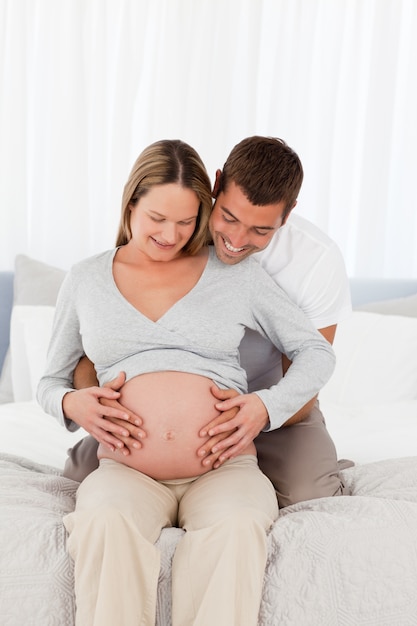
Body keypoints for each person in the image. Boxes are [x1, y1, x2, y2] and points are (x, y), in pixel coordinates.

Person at [37, 139, 336, 626]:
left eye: (187, 221)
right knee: (104, 523)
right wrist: (73, 402)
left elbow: (315, 352)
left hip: (225, 468)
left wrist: (265, 406)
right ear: (131, 202)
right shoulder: (85, 280)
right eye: (158, 217)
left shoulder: (235, 275)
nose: (171, 234)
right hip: (126, 471)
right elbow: (49, 380)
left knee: (238, 527)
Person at [66, 135, 353, 508]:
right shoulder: (175, 231)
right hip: (143, 422)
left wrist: (256, 413)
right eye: (229, 217)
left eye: (260, 230)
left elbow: (309, 368)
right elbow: (107, 344)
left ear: (289, 211)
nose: (235, 239)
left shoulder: (316, 261)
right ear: (217, 185)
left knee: (306, 495)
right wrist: (99, 408)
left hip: (277, 408)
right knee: (77, 486)